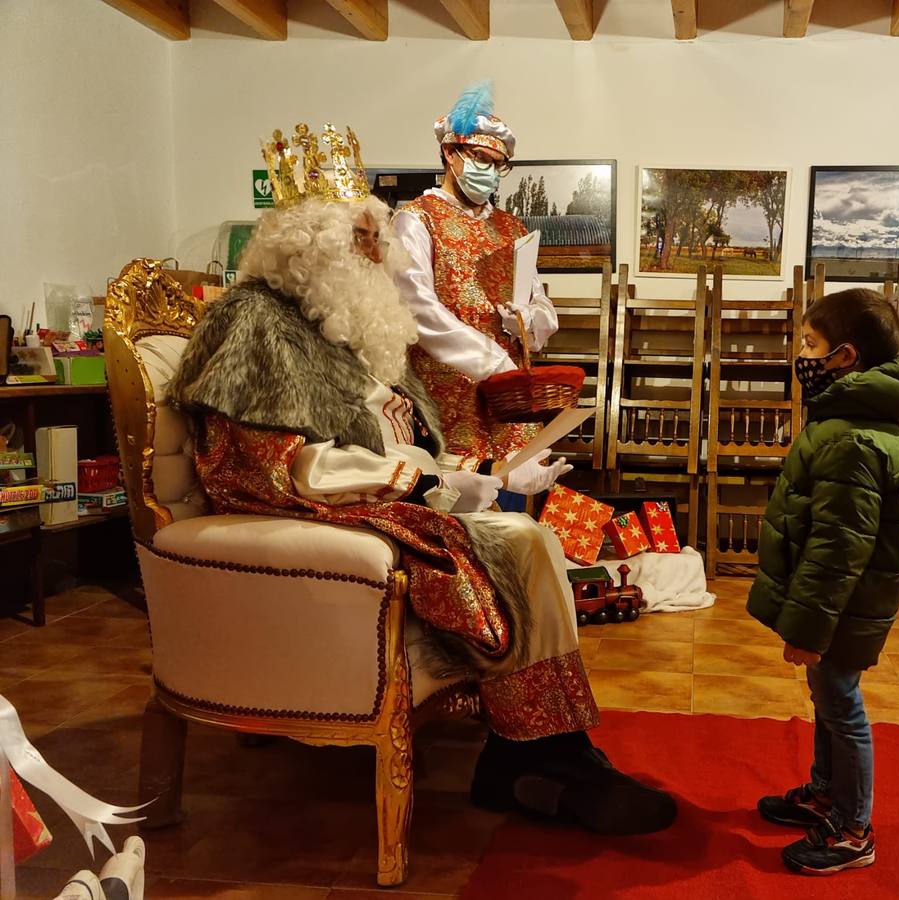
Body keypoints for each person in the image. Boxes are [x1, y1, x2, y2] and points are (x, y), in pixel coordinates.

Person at [167, 122, 675, 836]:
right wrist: (416, 482)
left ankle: (544, 748)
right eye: (364, 241)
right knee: (519, 542)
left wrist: (471, 476)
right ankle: (538, 756)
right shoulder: (253, 322)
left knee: (533, 537)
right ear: (313, 248)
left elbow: (396, 434)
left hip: (381, 492)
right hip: (312, 511)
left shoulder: (344, 326)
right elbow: (274, 466)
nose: (379, 258)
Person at [746, 288, 899, 875]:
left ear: (846, 358)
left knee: (841, 704)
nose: (800, 354)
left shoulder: (853, 438)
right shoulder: (849, 417)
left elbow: (838, 550)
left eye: (810, 344)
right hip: (840, 603)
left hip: (841, 603)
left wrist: (806, 627)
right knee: (827, 698)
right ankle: (826, 795)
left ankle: (855, 830)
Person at [391, 81, 557, 466]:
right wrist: (491, 359)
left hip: (507, 398)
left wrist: (527, 321)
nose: (493, 173)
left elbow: (541, 302)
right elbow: (418, 309)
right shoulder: (416, 219)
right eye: (482, 159)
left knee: (512, 502)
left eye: (500, 166)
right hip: (446, 392)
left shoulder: (511, 228)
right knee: (457, 501)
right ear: (450, 153)